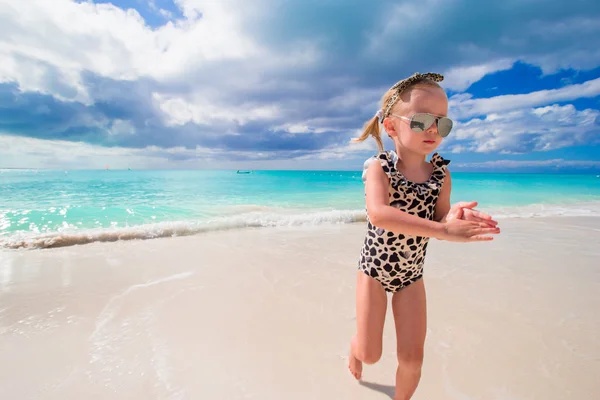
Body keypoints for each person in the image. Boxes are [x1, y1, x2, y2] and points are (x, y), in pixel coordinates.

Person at [348, 72, 501, 399]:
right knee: (370, 354)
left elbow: (440, 213)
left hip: (411, 276)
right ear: (390, 127)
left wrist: (456, 215)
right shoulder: (380, 167)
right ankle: (355, 347)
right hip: (374, 271)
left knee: (413, 358)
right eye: (421, 121)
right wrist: (443, 230)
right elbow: (379, 214)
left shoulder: (440, 175)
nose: (433, 130)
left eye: (442, 123)